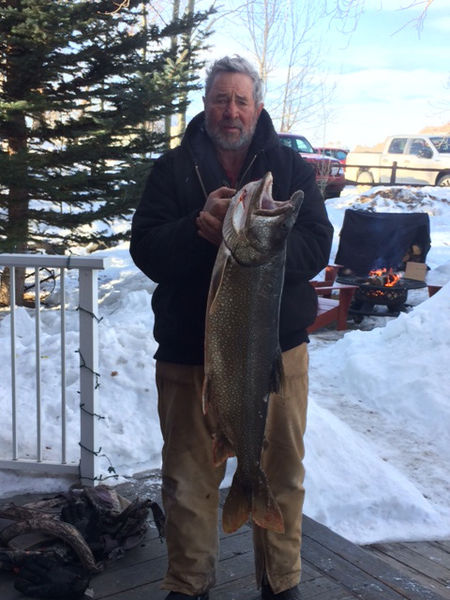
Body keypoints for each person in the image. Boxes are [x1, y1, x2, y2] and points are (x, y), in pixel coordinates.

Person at [130, 55, 333, 600]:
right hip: (186, 352)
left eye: (242, 100)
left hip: (276, 351)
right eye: (221, 99)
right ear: (205, 104)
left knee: (282, 469)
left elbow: (317, 243)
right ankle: (189, 584)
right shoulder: (173, 168)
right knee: (187, 477)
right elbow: (145, 247)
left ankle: (281, 582)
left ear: (258, 107)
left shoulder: (289, 167)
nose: (231, 111)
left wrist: (257, 241)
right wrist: (198, 229)